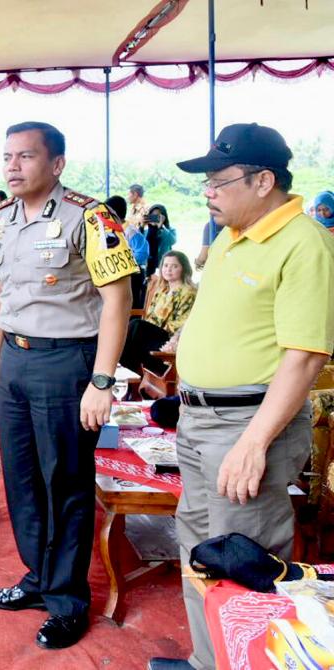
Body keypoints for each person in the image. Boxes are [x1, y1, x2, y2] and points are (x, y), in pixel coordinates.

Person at [148, 123, 334, 670]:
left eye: (218, 181)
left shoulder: (304, 243)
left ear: (263, 181)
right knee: (200, 549)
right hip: (200, 419)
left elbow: (305, 357)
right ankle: (208, 661)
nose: (208, 193)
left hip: (247, 425)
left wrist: (254, 444)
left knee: (244, 560)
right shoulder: (231, 237)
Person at [0, 122, 137, 650]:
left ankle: (68, 600)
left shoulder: (91, 217)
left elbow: (118, 299)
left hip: (66, 362)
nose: (13, 166)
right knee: (23, 480)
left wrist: (102, 381)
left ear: (57, 164)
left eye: (25, 156)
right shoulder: (1, 219)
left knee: (65, 482)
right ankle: (39, 577)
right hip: (15, 361)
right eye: (7, 156)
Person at [119, 250, 196, 376]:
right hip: (153, 336)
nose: (168, 270)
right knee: (132, 336)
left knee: (136, 325)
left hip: (171, 339)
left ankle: (117, 358)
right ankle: (129, 365)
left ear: (184, 269)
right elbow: (150, 318)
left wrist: (149, 332)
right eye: (166, 266)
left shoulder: (189, 292)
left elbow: (181, 324)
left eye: (174, 266)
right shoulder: (162, 290)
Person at [108, 194, 149, 307]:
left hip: (133, 275)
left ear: (113, 213)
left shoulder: (131, 231)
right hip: (118, 274)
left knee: (131, 305)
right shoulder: (110, 230)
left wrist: (122, 262)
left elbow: (142, 253)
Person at [145, 204, 177, 277]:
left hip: (163, 264)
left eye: (158, 216)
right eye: (153, 216)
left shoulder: (169, 230)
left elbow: (172, 241)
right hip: (148, 265)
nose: (155, 218)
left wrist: (161, 227)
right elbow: (141, 244)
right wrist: (142, 226)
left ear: (164, 217)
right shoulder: (146, 230)